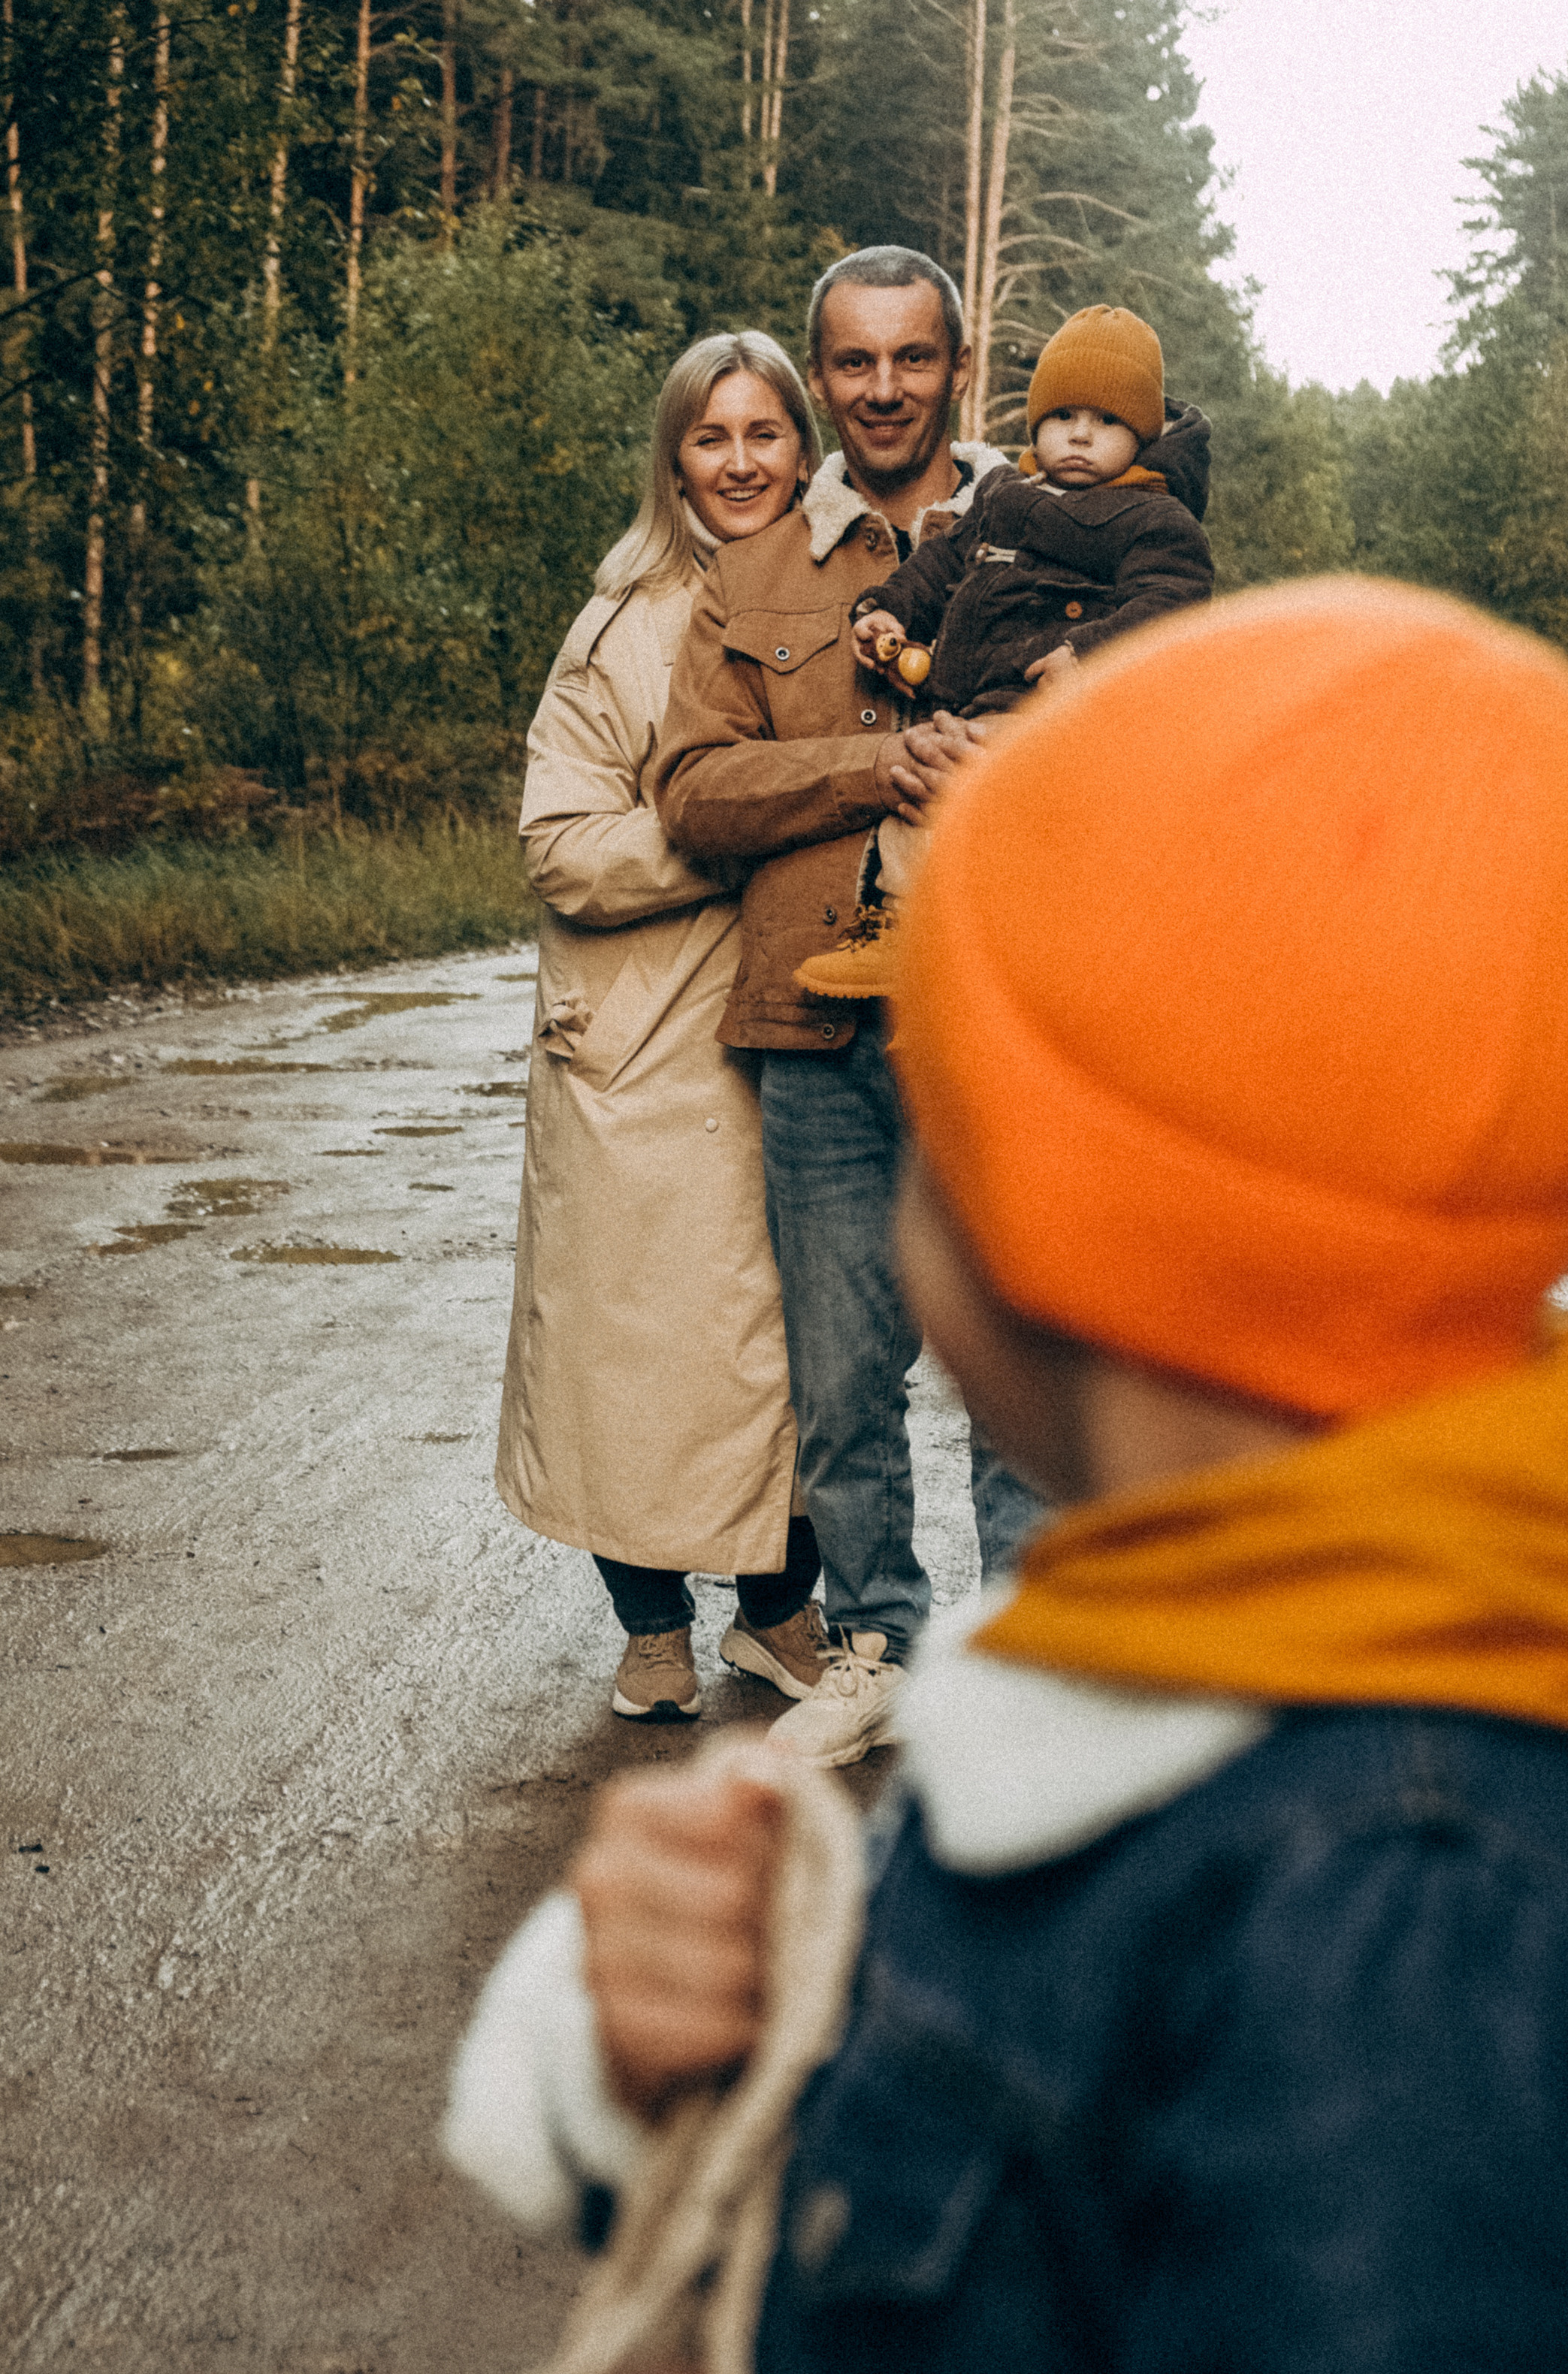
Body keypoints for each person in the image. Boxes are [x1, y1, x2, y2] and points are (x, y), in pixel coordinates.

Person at [465, 578, 1568, 2374]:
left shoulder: (1412, 1949)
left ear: (1028, 1220)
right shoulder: (1178, 1688)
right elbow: (1022, 2251)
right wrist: (672, 2054)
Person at [654, 245, 1043, 1769]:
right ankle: (875, 1640)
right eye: (854, 361)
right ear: (822, 379)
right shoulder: (748, 572)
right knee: (838, 1372)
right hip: (816, 1030)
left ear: (958, 366)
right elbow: (690, 789)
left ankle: (1023, 1660)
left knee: (1014, 1355)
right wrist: (868, 767)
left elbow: (1152, 720)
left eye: (912, 357)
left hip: (1007, 1021)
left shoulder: (1049, 529)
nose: (884, 385)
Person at [495, 331, 834, 1726]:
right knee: (626, 1359)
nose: (741, 462)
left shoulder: (846, 599)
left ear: (802, 453)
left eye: (765, 436)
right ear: (674, 458)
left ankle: (777, 1611)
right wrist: (733, 831)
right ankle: (649, 1628)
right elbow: (563, 847)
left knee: (798, 1347)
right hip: (636, 1053)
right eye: (713, 437)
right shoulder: (617, 626)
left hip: (797, 1030)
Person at [798, 304, 1212, 999]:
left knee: (1014, 837)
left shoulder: (1155, 518)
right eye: (1062, 417)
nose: (1080, 435)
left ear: (1139, 435)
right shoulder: (1000, 496)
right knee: (913, 809)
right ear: (1035, 424)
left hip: (1055, 713)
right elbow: (937, 567)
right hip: (965, 701)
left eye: (1107, 422)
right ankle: (901, 939)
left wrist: (1087, 651)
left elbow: (1174, 602)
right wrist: (885, 611)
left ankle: (999, 974)